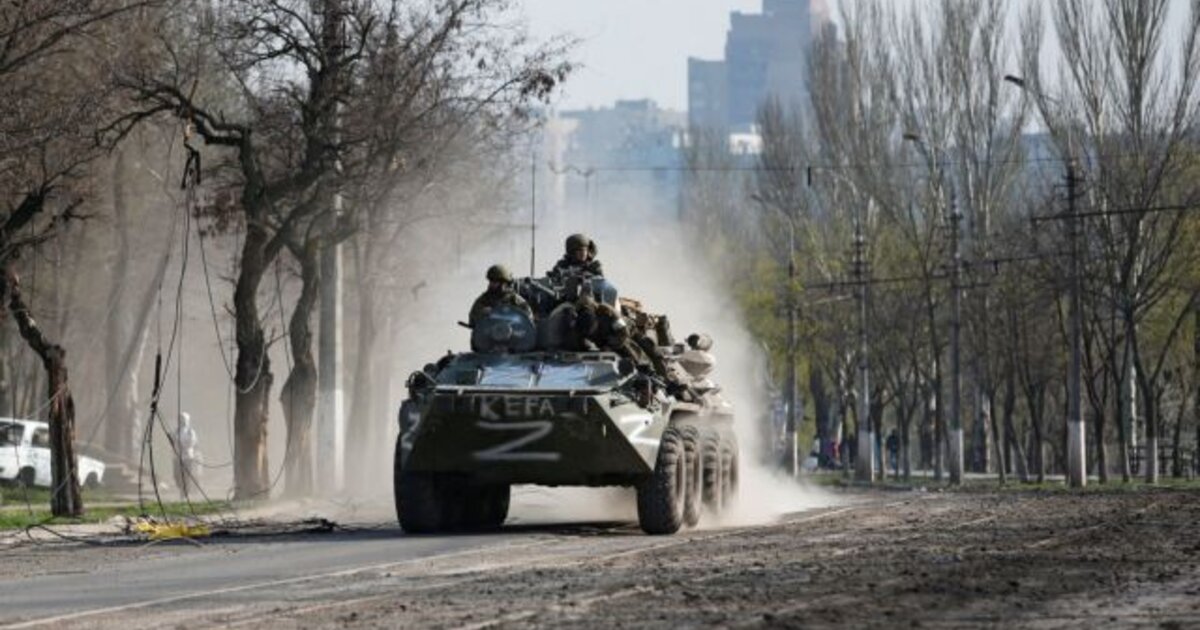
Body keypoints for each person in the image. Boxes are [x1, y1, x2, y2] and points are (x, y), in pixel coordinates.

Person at [174, 412, 201, 501]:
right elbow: (173, 442)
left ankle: (185, 494)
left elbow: (192, 442)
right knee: (177, 476)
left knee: (186, 477)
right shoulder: (176, 431)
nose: (182, 421)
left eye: (183, 419)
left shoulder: (190, 431)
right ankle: (182, 489)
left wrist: (184, 446)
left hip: (188, 457)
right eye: (180, 419)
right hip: (177, 457)